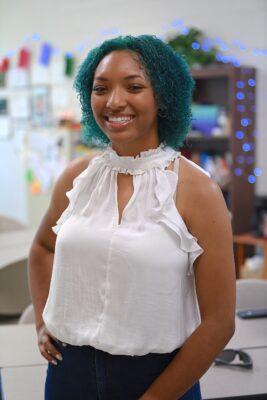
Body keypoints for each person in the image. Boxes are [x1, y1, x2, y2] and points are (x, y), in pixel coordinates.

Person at [28, 34, 236, 400]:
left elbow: (219, 323)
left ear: (164, 96)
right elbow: (44, 247)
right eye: (100, 88)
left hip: (161, 378)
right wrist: (44, 322)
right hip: (69, 374)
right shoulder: (76, 177)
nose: (114, 101)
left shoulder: (197, 191)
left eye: (134, 87)